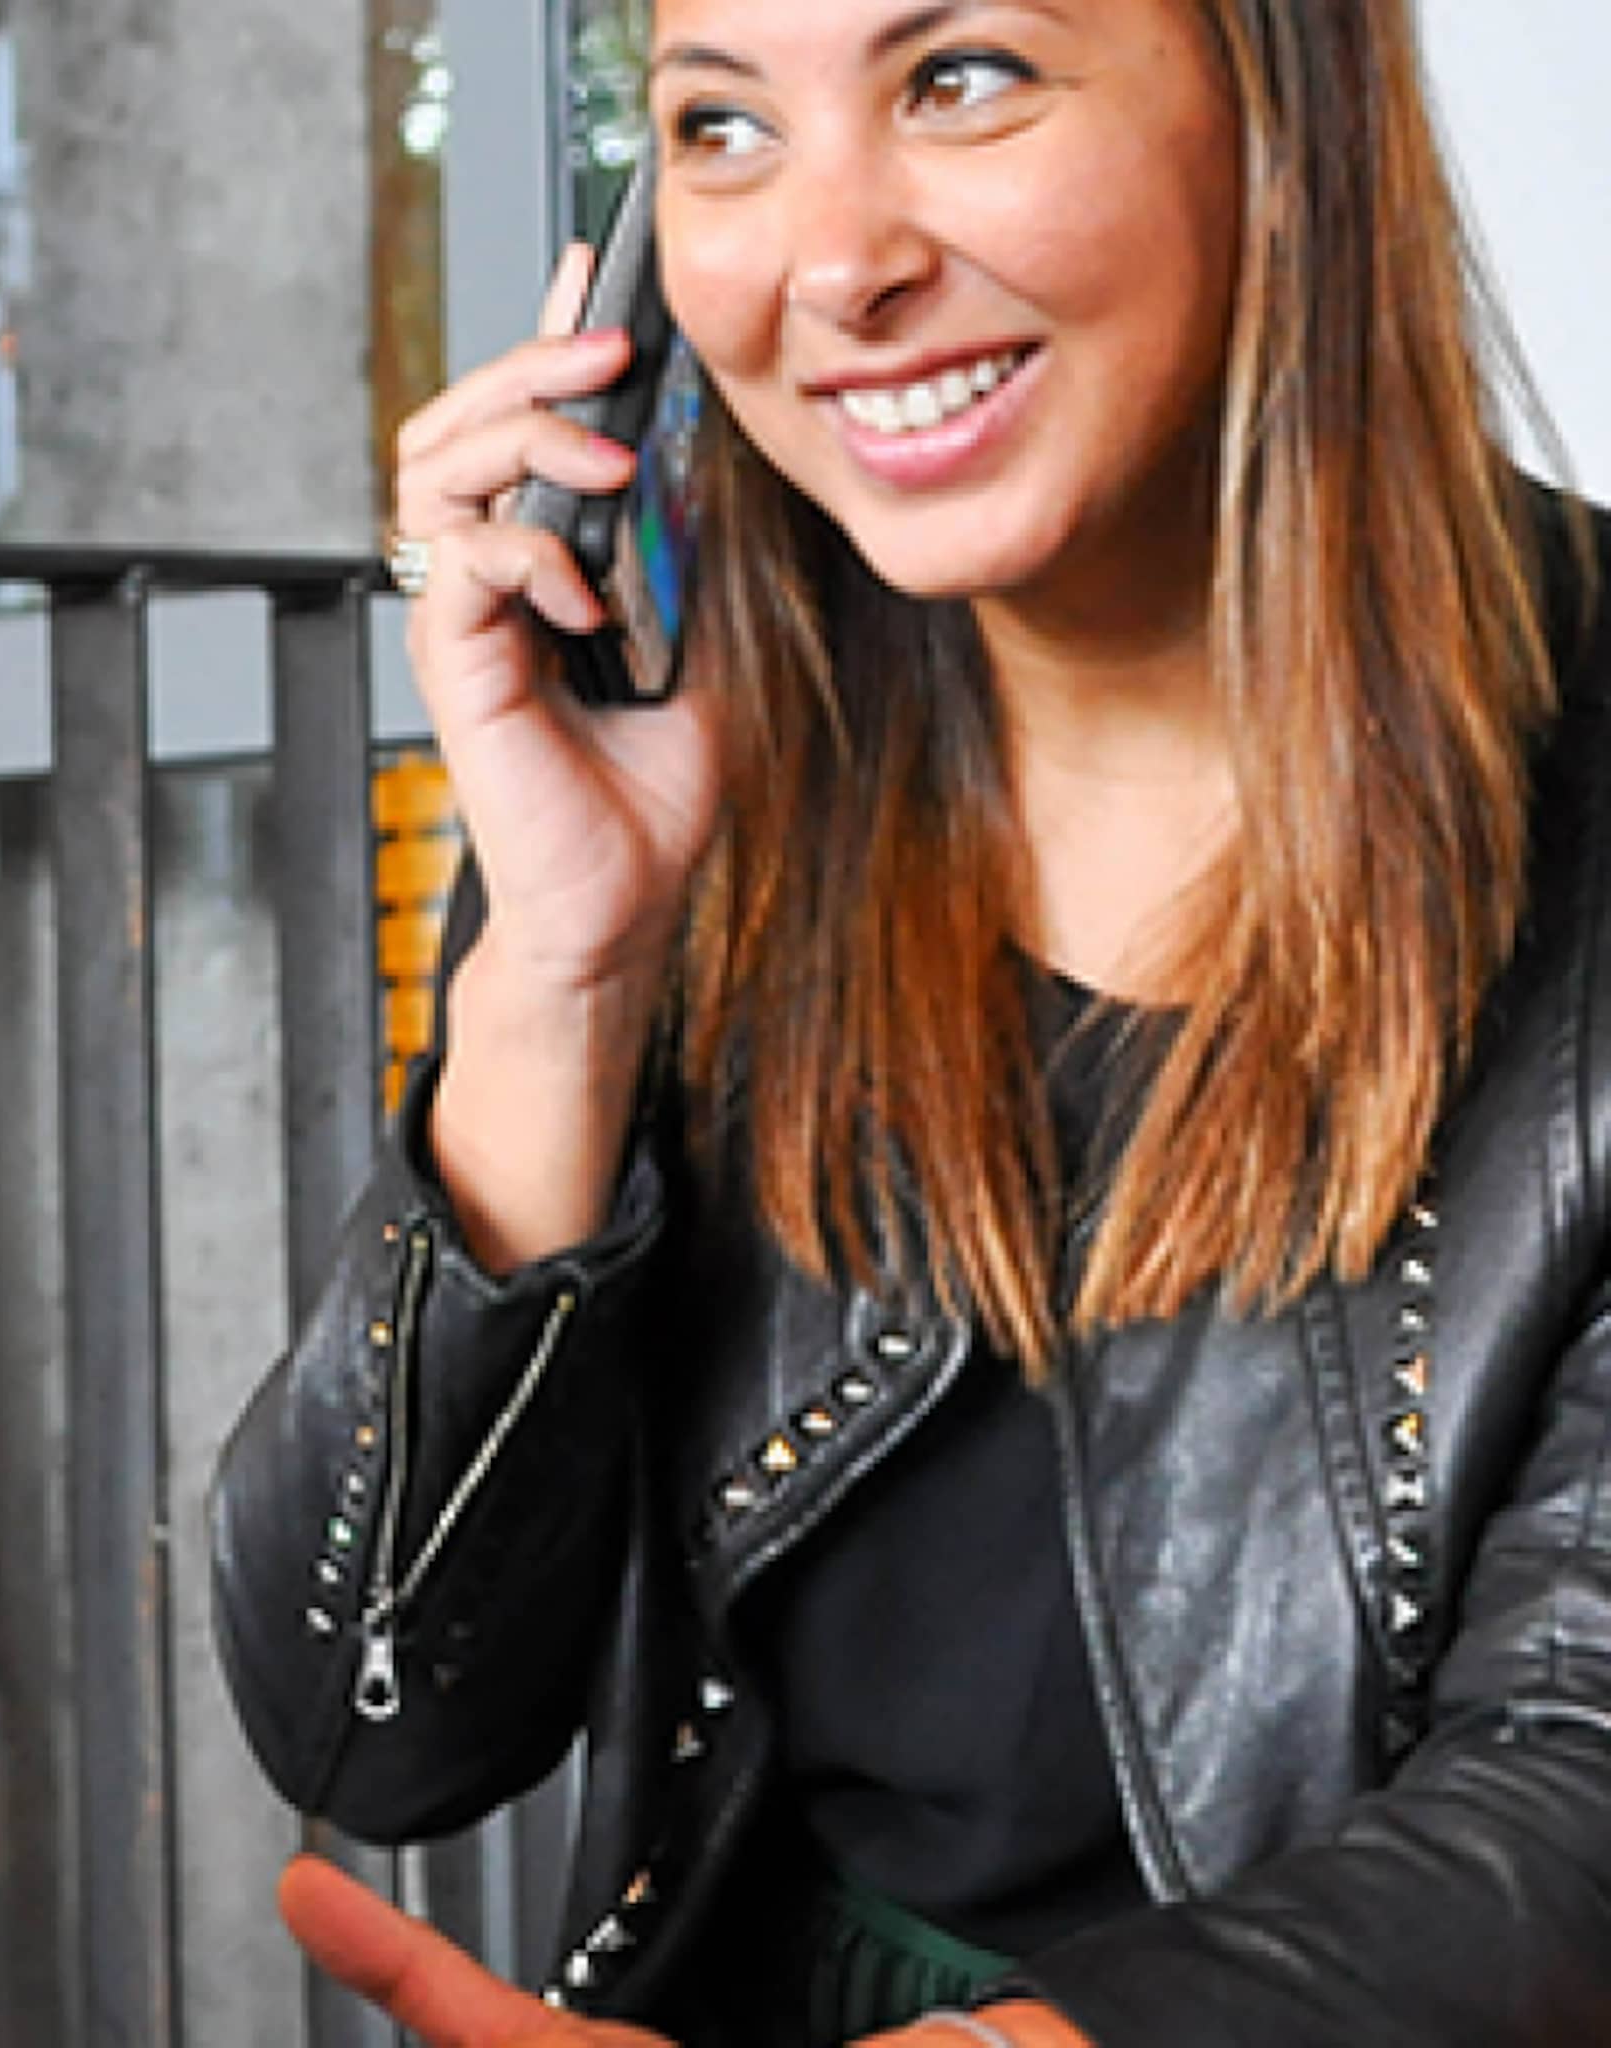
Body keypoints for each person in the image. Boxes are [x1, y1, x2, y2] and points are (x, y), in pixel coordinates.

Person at [209, 0, 1611, 2041]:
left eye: (959, 77)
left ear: (1281, 114)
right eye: (719, 127)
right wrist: (559, 982)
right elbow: (377, 1723)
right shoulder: (700, 794)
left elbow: (1573, 1783)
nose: (828, 264)